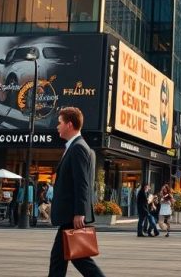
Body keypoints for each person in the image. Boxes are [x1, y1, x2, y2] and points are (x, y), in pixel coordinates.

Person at [49, 106, 105, 277]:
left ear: (70, 125)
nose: (57, 126)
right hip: (70, 215)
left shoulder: (78, 147)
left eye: (60, 123)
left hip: (72, 216)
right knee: (63, 259)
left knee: (79, 259)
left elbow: (82, 183)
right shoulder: (76, 146)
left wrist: (80, 212)